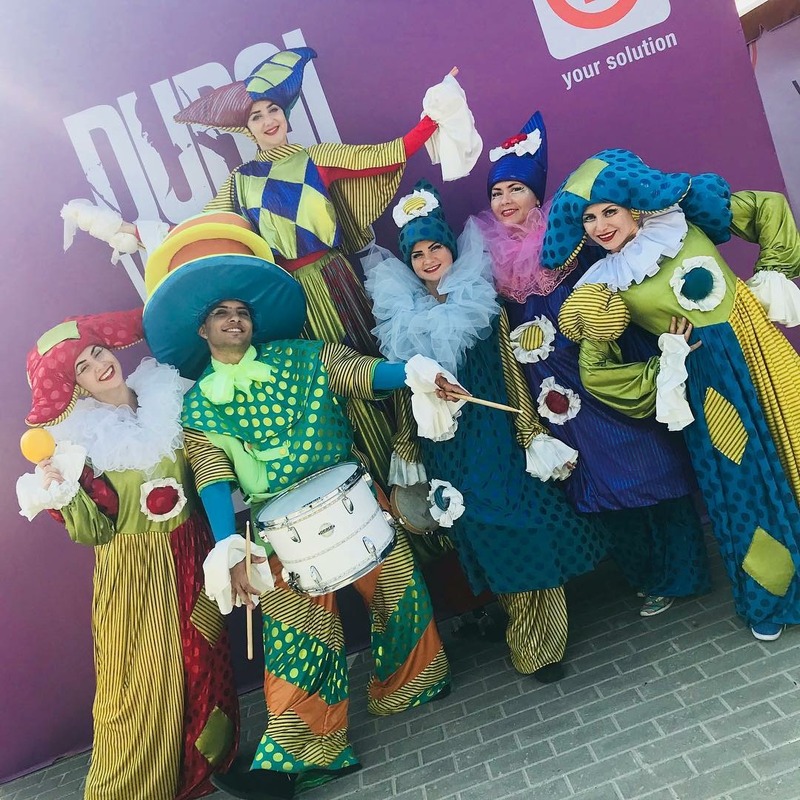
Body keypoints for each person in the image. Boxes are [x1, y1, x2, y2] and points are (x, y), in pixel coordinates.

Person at [141, 216, 454, 800]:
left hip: (354, 497)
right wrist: (230, 545)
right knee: (298, 637)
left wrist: (416, 375)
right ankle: (299, 756)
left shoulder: (303, 355)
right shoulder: (198, 406)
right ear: (202, 329)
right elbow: (213, 477)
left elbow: (359, 372)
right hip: (275, 530)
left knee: (398, 591)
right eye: (221, 314)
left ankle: (412, 682)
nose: (234, 320)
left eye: (242, 311)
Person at [543, 148, 800, 641]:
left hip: (761, 351)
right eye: (589, 218)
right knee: (741, 486)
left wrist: (773, 271)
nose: (600, 226)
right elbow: (597, 372)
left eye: (609, 211)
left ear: (633, 207)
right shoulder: (602, 286)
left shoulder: (684, 218)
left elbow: (767, 207)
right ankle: (772, 599)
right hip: (709, 386)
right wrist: (668, 363)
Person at [363, 179, 611, 682]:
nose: (429, 259)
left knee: (524, 524)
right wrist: (408, 445)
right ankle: (524, 626)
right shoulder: (402, 321)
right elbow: (406, 392)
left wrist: (528, 430)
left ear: (452, 249)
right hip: (446, 448)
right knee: (483, 533)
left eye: (435, 248)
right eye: (417, 254)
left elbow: (510, 369)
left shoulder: (482, 301)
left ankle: (540, 644)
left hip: (495, 434)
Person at [473, 112, 711, 617]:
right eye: (497, 192)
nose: (506, 200)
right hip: (551, 388)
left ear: (537, 194)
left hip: (604, 365)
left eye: (516, 189)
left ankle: (684, 572)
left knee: (648, 462)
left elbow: (621, 283)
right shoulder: (486, 259)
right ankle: (646, 576)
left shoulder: (573, 235)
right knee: (595, 479)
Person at [16, 308, 238, 800]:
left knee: (203, 651)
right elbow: (94, 531)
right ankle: (142, 781)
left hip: (191, 548)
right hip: (134, 571)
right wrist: (61, 492)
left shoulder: (166, 394)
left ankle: (207, 763)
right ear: (75, 386)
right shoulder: (77, 446)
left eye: (98, 353)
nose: (99, 366)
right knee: (143, 677)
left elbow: (209, 462)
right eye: (83, 367)